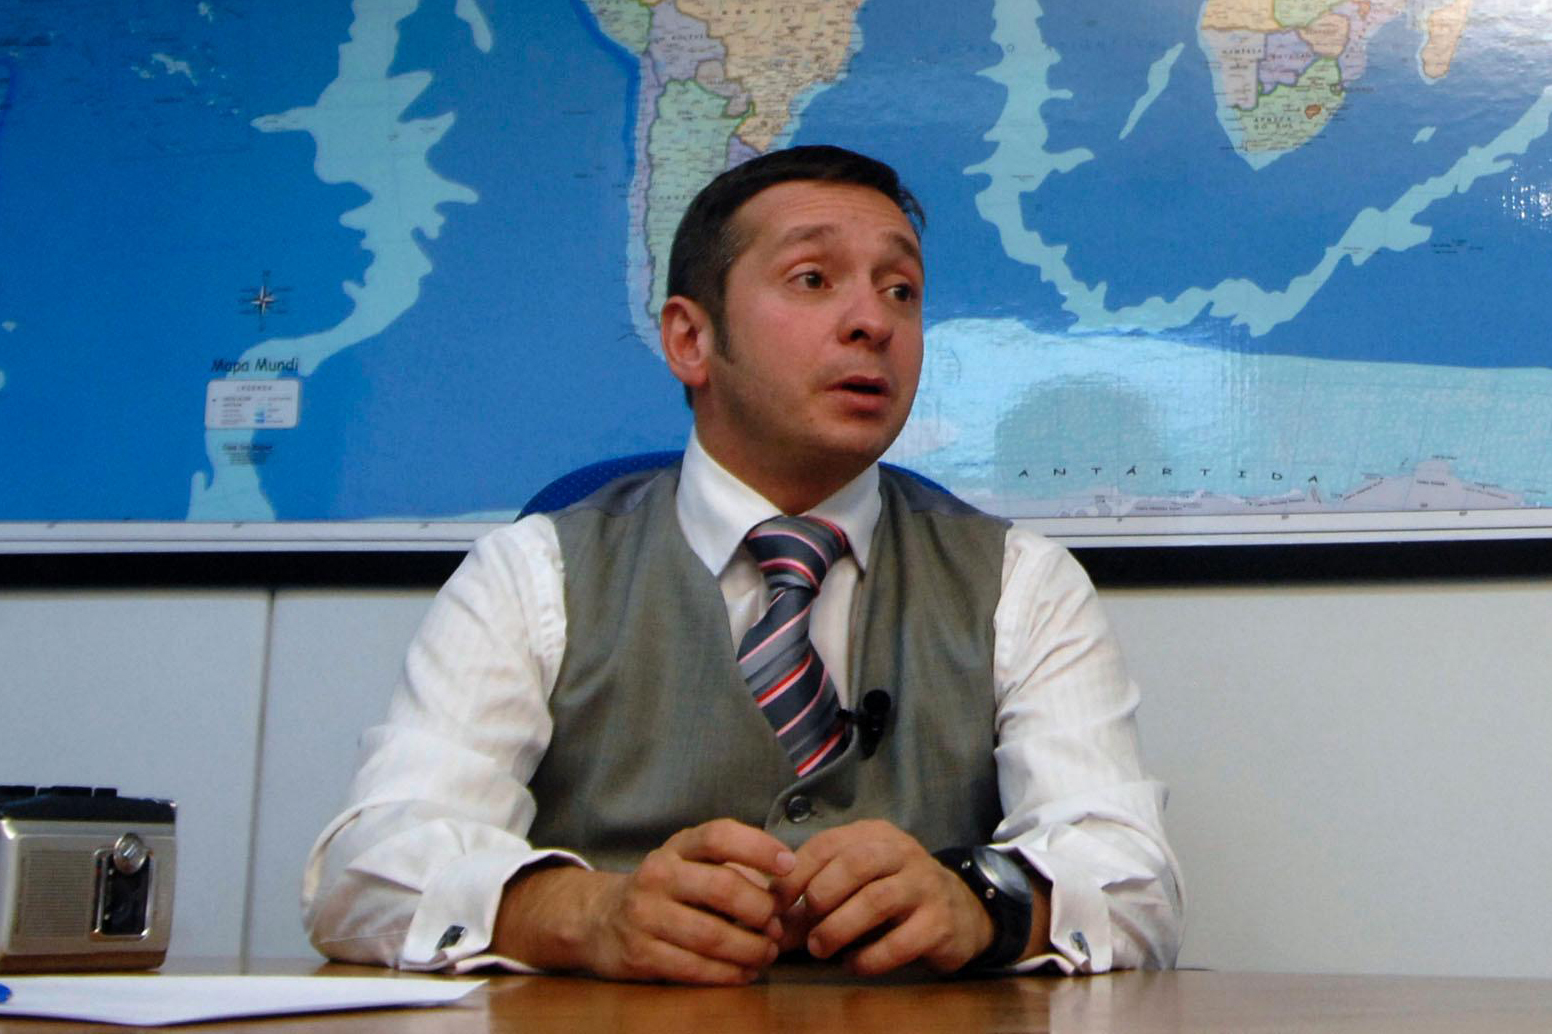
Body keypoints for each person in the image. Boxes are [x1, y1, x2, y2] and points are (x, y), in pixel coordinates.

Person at [304, 145, 1182, 984]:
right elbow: (364, 867)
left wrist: (983, 904)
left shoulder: (1021, 581)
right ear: (690, 339)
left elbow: (1136, 884)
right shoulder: (533, 571)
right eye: (813, 279)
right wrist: (586, 913)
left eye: (901, 290)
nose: (874, 321)